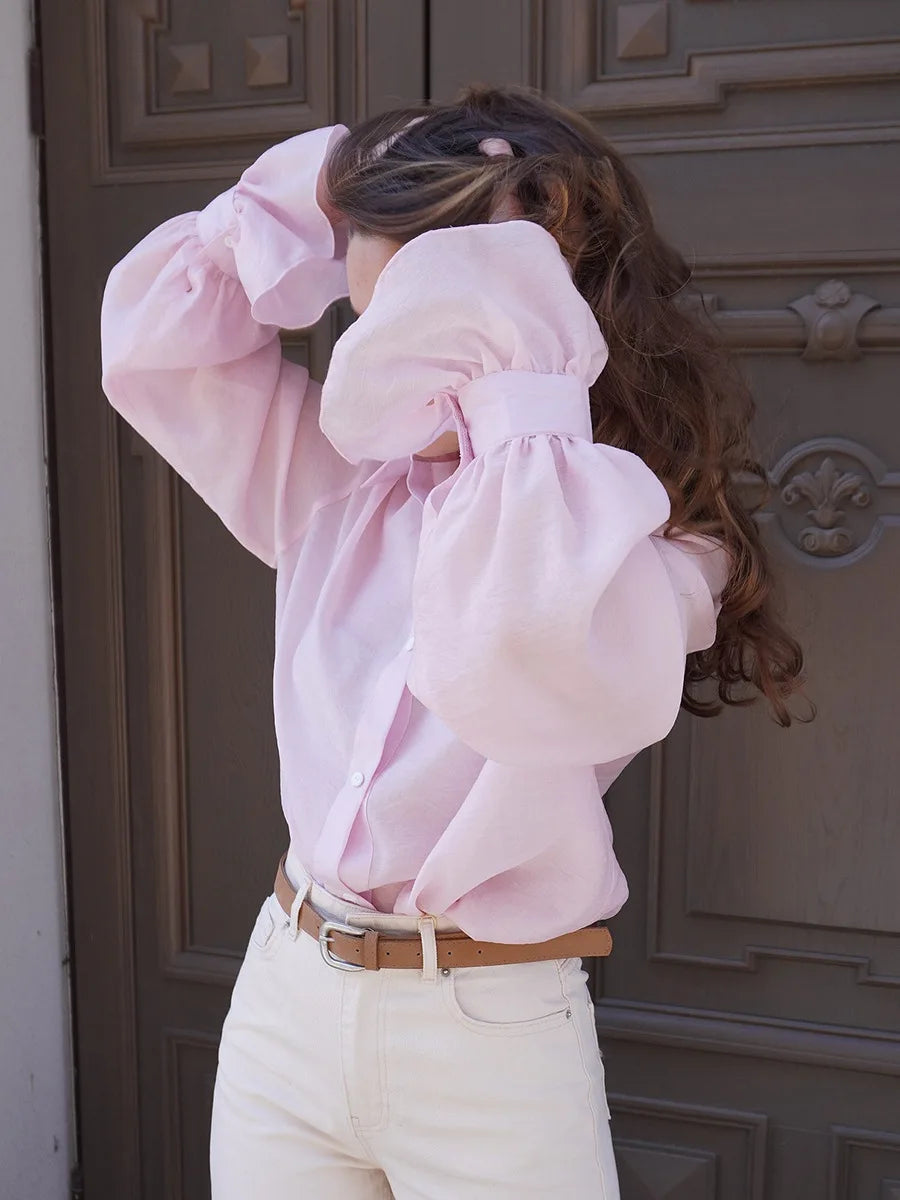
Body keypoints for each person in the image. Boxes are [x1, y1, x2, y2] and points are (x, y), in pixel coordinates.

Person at [100, 85, 805, 1200]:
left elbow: (516, 672)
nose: (395, 359)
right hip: (289, 991)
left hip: (487, 1034)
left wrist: (508, 381)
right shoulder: (343, 493)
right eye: (379, 315)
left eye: (446, 318)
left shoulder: (651, 548)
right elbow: (157, 349)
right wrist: (321, 200)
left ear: (544, 312)